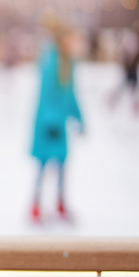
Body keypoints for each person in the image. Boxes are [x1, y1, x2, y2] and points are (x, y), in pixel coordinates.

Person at [29, 23, 84, 223]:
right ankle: (35, 203)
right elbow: (46, 93)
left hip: (60, 124)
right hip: (47, 123)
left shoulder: (68, 62)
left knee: (62, 164)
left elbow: (71, 94)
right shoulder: (51, 61)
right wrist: (50, 120)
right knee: (43, 164)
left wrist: (79, 118)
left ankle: (60, 201)